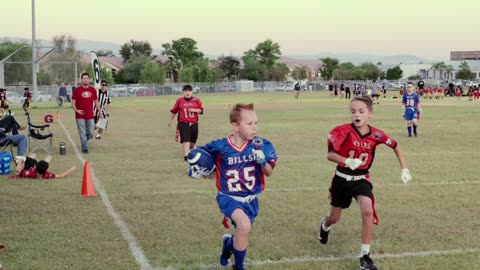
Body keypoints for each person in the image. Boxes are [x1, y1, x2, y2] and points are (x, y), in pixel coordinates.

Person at [318, 96, 412, 270]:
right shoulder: (342, 131)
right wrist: (347, 161)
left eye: (361, 111)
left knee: (367, 210)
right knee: (335, 218)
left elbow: (396, 146)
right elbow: (330, 155)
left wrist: (404, 168)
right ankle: (324, 225)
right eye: (353, 111)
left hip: (361, 178)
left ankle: (365, 257)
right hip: (342, 179)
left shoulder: (376, 134)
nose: (356, 115)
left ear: (370, 114)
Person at [194, 103, 277, 270]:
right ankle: (238, 267)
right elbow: (199, 156)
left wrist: (262, 161)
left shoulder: (262, 145)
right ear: (235, 126)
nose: (254, 128)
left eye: (256, 123)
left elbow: (268, 172)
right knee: (244, 226)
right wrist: (197, 167)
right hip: (229, 197)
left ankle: (228, 245)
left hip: (251, 200)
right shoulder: (220, 146)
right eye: (249, 124)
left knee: (242, 231)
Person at [168, 84, 204, 161]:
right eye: (185, 91)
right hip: (183, 123)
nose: (187, 92)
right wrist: (170, 120)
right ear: (183, 92)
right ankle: (186, 157)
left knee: (193, 141)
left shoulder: (196, 100)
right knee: (186, 140)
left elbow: (201, 111)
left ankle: (192, 152)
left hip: (194, 123)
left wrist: (193, 110)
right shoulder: (179, 101)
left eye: (189, 91)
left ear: (191, 92)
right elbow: (174, 111)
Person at [72, 73, 102, 154]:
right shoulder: (77, 90)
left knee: (90, 132)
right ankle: (85, 148)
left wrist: (100, 112)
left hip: (90, 115)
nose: (85, 79)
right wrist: (77, 110)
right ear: (81, 80)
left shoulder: (93, 90)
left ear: (89, 80)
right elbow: (73, 103)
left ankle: (85, 141)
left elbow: (96, 102)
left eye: (87, 78)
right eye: (84, 78)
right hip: (79, 116)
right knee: (82, 132)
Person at [9, 154, 77, 179]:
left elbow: (18, 171)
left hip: (30, 166)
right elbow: (61, 175)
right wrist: (71, 169)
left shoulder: (29, 173)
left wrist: (21, 162)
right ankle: (32, 157)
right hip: (33, 165)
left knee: (33, 155)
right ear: (46, 170)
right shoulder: (47, 175)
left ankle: (30, 157)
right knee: (49, 156)